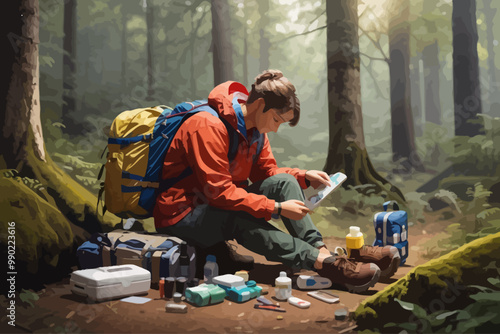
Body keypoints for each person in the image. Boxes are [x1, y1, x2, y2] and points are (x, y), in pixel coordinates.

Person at [154, 70, 399, 293]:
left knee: (283, 182)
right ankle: (321, 261)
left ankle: (322, 253)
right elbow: (219, 193)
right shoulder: (207, 126)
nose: (276, 129)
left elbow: (268, 174)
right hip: (183, 214)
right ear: (260, 105)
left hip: (216, 205)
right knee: (239, 218)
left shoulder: (256, 132)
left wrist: (303, 177)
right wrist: (277, 209)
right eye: (276, 120)